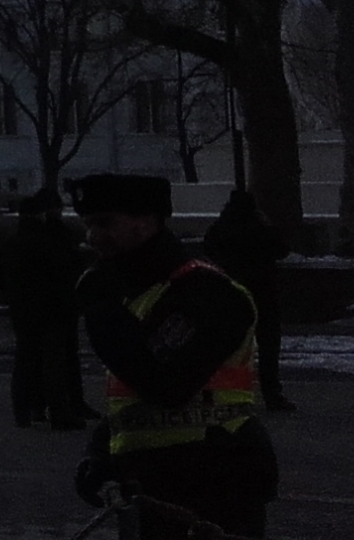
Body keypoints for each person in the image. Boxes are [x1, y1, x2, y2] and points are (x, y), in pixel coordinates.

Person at [69, 172, 278, 538]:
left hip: (214, 478)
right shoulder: (138, 293)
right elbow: (132, 398)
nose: (92, 237)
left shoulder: (206, 292)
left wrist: (102, 311)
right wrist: (102, 452)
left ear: (147, 221)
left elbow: (165, 383)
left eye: (105, 223)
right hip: (158, 481)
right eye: (88, 225)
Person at [0, 187, 91, 429]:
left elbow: (0, 278)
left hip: (22, 310)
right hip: (52, 309)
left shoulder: (11, 242)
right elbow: (63, 273)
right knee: (54, 361)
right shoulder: (47, 242)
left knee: (25, 360)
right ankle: (59, 412)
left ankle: (23, 412)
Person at [203, 188, 295, 412]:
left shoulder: (221, 227)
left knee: (225, 346)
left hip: (232, 291)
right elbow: (282, 249)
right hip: (263, 291)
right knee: (268, 346)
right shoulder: (260, 228)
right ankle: (272, 394)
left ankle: (218, 393)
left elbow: (209, 248)